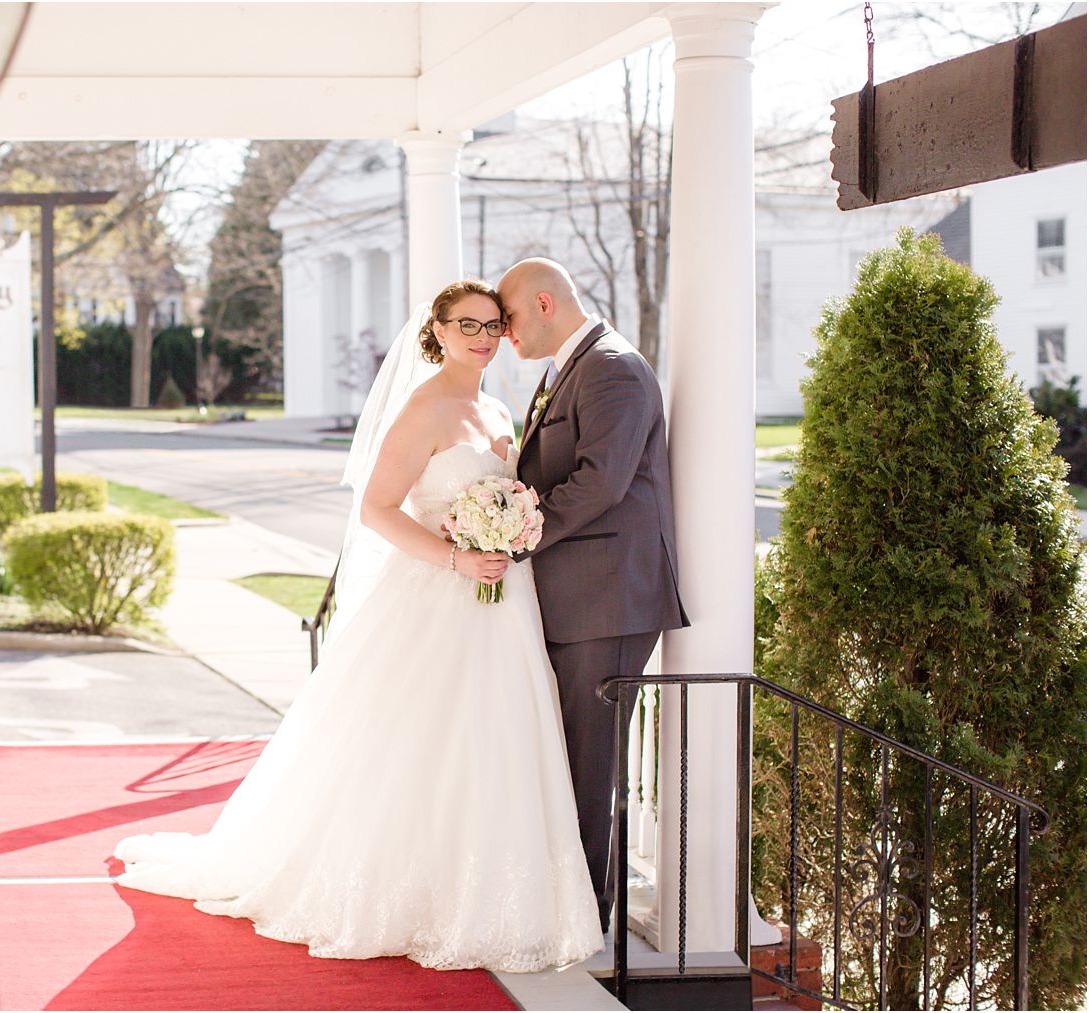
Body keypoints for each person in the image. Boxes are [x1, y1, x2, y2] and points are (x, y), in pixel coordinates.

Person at [115, 280, 604, 972]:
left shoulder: (495, 404)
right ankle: (414, 895)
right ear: (436, 328)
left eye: (493, 323)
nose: (483, 335)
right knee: (423, 744)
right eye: (467, 323)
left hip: (504, 603)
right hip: (441, 592)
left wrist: (506, 531)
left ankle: (491, 896)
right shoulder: (425, 406)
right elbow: (378, 508)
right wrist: (458, 557)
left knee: (496, 742)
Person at [497, 258, 689, 936]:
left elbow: (600, 482)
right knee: (562, 759)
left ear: (545, 303)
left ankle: (585, 923)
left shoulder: (614, 367)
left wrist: (513, 532)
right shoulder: (564, 371)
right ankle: (559, 906)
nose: (504, 333)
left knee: (590, 766)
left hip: (607, 602)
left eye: (509, 318)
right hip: (571, 600)